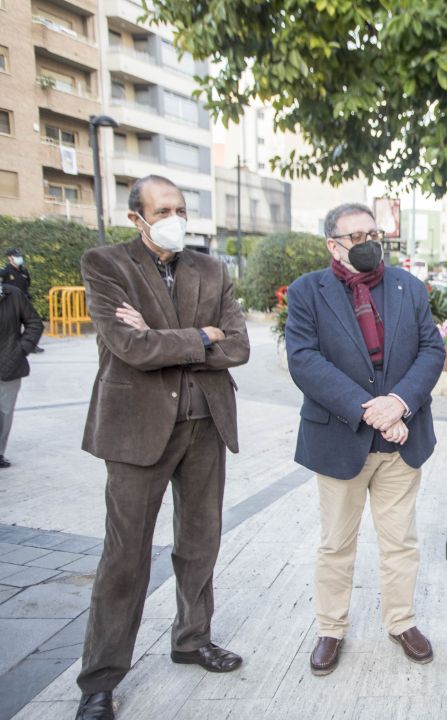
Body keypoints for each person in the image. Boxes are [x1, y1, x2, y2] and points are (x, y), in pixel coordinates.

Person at [75, 175, 250, 720]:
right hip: (135, 431)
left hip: (205, 425)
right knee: (124, 557)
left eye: (180, 208)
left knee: (200, 543)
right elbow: (129, 345)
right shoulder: (105, 265)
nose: (175, 217)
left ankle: (192, 639)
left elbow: (239, 345)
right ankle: (100, 681)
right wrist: (203, 335)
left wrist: (166, 336)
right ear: (137, 217)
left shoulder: (211, 269)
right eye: (164, 209)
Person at [285, 203, 445, 675]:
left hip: (402, 440)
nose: (368, 242)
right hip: (340, 440)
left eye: (373, 233)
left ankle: (401, 622)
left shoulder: (408, 287)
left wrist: (399, 403)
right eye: (356, 236)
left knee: (400, 542)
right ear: (333, 244)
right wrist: (373, 411)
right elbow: (305, 362)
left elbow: (432, 350)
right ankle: (330, 629)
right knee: (336, 543)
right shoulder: (306, 292)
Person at [0, 280, 44, 469]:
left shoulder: (13, 295)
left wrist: (20, 350)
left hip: (9, 365)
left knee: (4, 412)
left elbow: (34, 323)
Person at [2, 249, 43, 353]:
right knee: (14, 326)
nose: (19, 258)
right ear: (10, 258)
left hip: (24, 301)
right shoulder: (5, 271)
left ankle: (31, 345)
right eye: (16, 256)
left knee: (30, 322)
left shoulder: (24, 271)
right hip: (11, 303)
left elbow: (27, 283)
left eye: (19, 256)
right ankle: (13, 346)